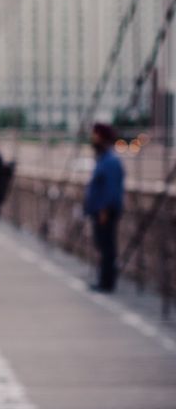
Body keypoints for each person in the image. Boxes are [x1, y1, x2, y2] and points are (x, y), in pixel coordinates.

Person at [83, 122, 125, 293]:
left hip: (105, 212)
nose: (93, 138)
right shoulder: (104, 158)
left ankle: (107, 282)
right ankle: (104, 279)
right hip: (101, 211)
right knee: (103, 246)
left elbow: (110, 189)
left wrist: (104, 210)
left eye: (96, 135)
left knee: (107, 247)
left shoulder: (110, 161)